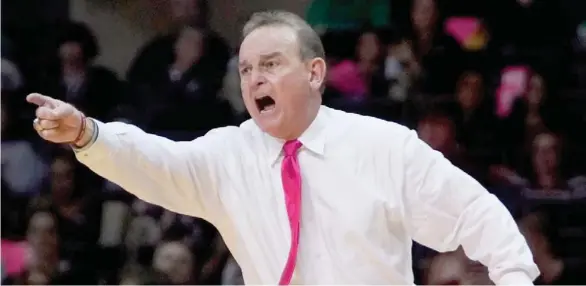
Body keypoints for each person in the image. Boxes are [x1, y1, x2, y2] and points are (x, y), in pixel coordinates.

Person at [27, 10, 539, 285]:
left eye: (270, 64)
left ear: (315, 73)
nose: (254, 79)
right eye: (246, 69)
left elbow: (475, 212)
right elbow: (157, 161)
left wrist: (514, 277)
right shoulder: (228, 154)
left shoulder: (383, 146)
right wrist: (87, 133)